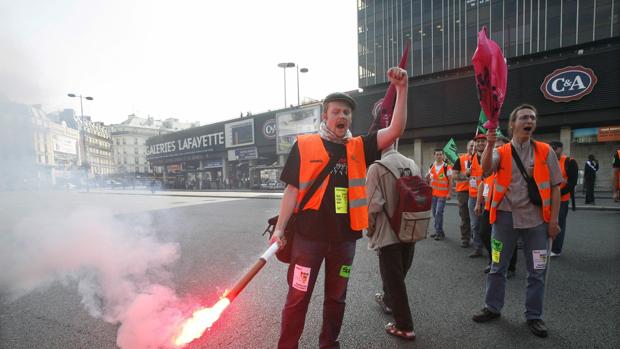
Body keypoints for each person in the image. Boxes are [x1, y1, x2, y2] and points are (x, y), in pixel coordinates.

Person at [270, 67, 409, 349]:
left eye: (346, 112)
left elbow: (396, 130)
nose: (342, 116)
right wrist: (280, 230)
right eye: (336, 111)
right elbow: (291, 191)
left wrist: (403, 90)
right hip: (307, 240)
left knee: (337, 297)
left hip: (344, 242)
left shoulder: (359, 147)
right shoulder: (305, 145)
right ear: (325, 116)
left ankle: (328, 343)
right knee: (298, 296)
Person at [472, 104, 562, 338]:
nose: (528, 120)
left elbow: (554, 189)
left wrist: (553, 221)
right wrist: (490, 142)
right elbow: (485, 170)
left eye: (532, 117)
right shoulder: (501, 152)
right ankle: (492, 307)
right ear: (513, 124)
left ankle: (534, 316)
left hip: (537, 223)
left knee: (537, 270)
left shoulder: (545, 151)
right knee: (497, 266)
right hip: (504, 220)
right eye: (523, 117)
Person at [366, 142, 420, 340]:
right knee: (399, 273)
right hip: (411, 228)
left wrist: (370, 230)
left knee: (393, 279)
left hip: (388, 233)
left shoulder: (377, 168)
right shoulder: (412, 164)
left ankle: (404, 326)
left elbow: (373, 206)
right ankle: (388, 301)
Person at [474, 135, 518, 278]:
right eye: (495, 147)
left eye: (500, 146)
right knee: (484, 233)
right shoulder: (491, 164)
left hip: (507, 206)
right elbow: (482, 183)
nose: (497, 150)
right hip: (489, 205)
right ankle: (494, 260)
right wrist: (478, 202)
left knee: (509, 238)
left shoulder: (512, 163)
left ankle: (510, 267)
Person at [549, 141, 579, 257]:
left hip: (562, 199)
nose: (552, 151)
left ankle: (556, 249)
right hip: (547, 199)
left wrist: (557, 193)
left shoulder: (570, 162)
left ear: (561, 149)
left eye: (554, 148)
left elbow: (572, 183)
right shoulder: (548, 161)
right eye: (550, 148)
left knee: (559, 223)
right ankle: (548, 245)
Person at [467, 133, 487, 258]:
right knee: (475, 225)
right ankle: (478, 248)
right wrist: (467, 173)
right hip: (473, 196)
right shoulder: (471, 157)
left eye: (483, 141)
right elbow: (468, 175)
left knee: (488, 226)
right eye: (478, 142)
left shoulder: (492, 155)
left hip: (488, 196)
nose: (480, 143)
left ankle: (490, 249)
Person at [425, 149, 452, 241]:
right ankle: (440, 231)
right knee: (434, 213)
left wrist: (449, 193)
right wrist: (427, 178)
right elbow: (428, 180)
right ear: (434, 155)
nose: (439, 156)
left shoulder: (447, 167)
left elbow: (451, 181)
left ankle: (438, 232)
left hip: (442, 194)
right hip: (433, 194)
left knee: (438, 213)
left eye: (440, 154)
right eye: (437, 154)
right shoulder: (431, 166)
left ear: (443, 155)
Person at [452, 140, 475, 247]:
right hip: (463, 192)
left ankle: (478, 239)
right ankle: (465, 238)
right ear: (467, 147)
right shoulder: (460, 159)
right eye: (471, 145)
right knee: (465, 216)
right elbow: (454, 176)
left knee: (479, 217)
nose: (473, 147)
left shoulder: (481, 158)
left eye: (475, 145)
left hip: (478, 192)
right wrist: (465, 175)